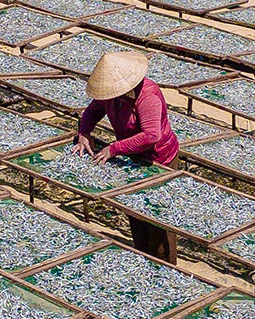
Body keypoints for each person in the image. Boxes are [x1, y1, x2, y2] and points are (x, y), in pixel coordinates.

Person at [77, 50, 181, 262]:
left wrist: (114, 148)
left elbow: (151, 135)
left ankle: (165, 266)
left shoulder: (148, 96)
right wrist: (84, 133)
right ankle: (143, 257)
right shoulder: (110, 96)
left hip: (159, 159)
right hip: (133, 159)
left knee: (158, 217)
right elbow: (93, 111)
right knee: (135, 209)